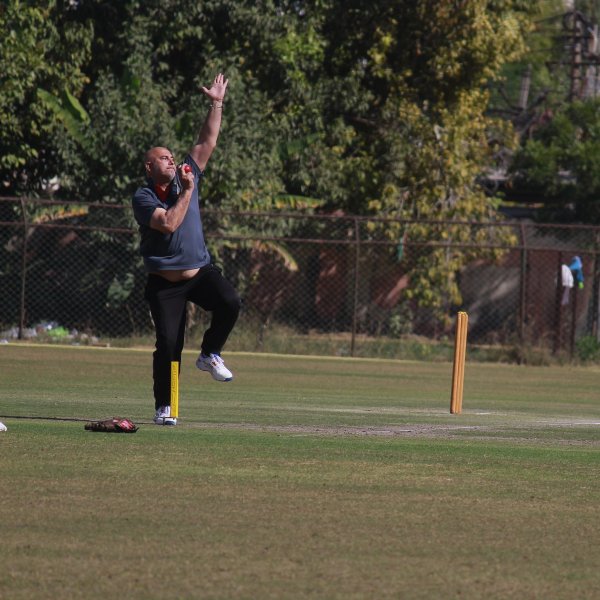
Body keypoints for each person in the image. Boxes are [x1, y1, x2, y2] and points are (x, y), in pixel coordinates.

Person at [132, 73, 241, 426]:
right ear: (150, 167)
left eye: (171, 156)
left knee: (230, 302)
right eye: (163, 158)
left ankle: (209, 353)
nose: (170, 159)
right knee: (168, 343)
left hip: (199, 273)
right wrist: (189, 191)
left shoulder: (186, 172)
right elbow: (168, 224)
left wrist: (216, 102)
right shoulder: (144, 196)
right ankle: (165, 407)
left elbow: (207, 140)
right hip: (165, 284)